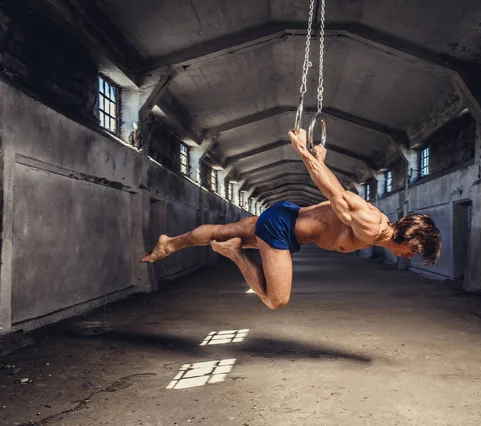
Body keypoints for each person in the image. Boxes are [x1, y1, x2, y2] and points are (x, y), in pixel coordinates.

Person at [141, 128, 441, 309]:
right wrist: (302, 151)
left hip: (287, 216)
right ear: (410, 239)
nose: (408, 256)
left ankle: (170, 243)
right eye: (413, 252)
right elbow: (335, 193)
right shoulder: (371, 224)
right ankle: (233, 253)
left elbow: (334, 201)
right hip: (282, 227)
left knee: (219, 230)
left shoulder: (376, 231)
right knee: (276, 300)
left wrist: (320, 161)